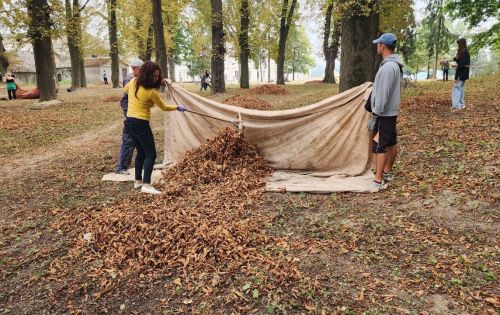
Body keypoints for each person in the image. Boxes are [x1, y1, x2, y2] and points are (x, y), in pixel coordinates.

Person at [123, 61, 186, 194]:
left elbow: (125, 90)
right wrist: (177, 107)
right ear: (146, 74)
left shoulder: (133, 81)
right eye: (153, 76)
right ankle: (147, 185)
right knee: (151, 153)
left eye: (157, 76)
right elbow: (164, 107)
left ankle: (138, 181)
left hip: (129, 122)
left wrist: (138, 101)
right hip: (140, 123)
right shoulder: (151, 92)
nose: (156, 78)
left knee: (141, 152)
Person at [370, 33, 404, 191]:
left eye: (378, 44)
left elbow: (383, 93)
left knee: (379, 144)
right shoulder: (395, 65)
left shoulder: (388, 68)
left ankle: (378, 180)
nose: (377, 46)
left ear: (383, 46)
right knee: (391, 142)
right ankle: (388, 171)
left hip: (384, 113)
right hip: (391, 111)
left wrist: (376, 112)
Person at [115, 58, 144, 175]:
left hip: (137, 112)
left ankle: (146, 160)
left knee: (142, 137)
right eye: (140, 69)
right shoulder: (130, 79)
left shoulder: (138, 78)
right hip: (130, 113)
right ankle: (121, 167)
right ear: (134, 69)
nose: (142, 71)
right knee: (129, 139)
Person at [451, 38, 470, 110]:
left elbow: (461, 65)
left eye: (458, 44)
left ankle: (456, 106)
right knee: (461, 88)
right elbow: (462, 62)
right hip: (464, 74)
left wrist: (456, 77)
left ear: (461, 44)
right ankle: (461, 104)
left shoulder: (462, 52)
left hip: (461, 74)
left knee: (456, 89)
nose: (458, 46)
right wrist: (456, 59)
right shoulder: (466, 52)